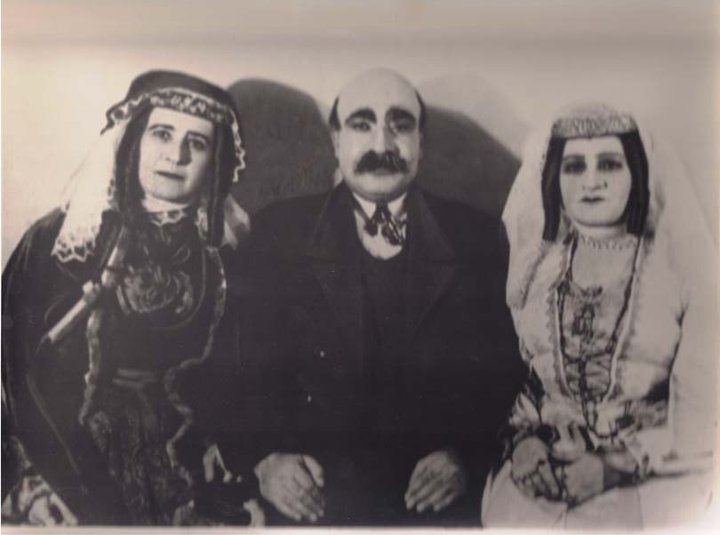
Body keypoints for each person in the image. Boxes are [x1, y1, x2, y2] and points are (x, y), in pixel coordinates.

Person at [230, 68, 524, 526]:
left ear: (421, 143)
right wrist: (267, 459)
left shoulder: (478, 237)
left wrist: (466, 456)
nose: (382, 144)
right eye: (362, 124)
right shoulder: (277, 232)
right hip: (315, 500)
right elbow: (239, 364)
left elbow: (506, 370)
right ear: (336, 141)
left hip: (434, 502)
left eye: (400, 125)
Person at [2, 70, 251, 525]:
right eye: (162, 134)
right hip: (68, 457)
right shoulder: (61, 239)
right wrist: (28, 485)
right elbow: (8, 364)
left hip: (184, 463)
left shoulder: (222, 255)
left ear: (215, 159)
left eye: (197, 143)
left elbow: (238, 378)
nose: (176, 155)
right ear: (134, 139)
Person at [481, 103, 718, 528]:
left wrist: (614, 465)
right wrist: (523, 443)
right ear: (554, 178)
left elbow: (703, 416)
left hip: (653, 472)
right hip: (547, 464)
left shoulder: (680, 272)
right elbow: (528, 387)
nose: (591, 181)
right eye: (574, 166)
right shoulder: (535, 272)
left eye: (609, 163)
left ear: (636, 173)